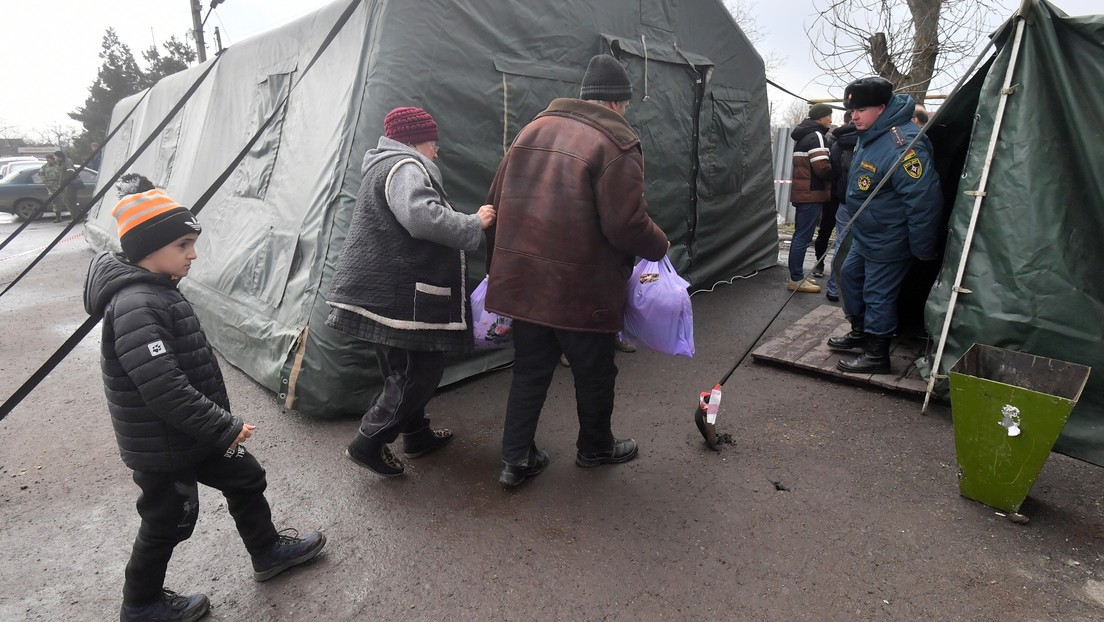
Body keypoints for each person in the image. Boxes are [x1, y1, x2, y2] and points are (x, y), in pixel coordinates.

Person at [83, 176, 327, 622]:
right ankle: (141, 604)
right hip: (166, 444)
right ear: (147, 249)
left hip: (195, 433)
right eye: (183, 244)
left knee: (246, 477)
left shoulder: (157, 290)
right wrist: (224, 426)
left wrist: (215, 427)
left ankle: (267, 551)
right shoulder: (137, 303)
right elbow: (163, 387)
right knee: (168, 520)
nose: (193, 254)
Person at [484, 54, 669, 488]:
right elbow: (625, 223)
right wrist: (659, 246)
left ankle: (515, 460)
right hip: (582, 287)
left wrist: (499, 270)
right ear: (617, 103)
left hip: (524, 282)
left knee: (529, 371)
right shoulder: (616, 142)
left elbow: (495, 200)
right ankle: (595, 448)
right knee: (595, 372)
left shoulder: (530, 131)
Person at [329, 106, 496, 477]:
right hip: (399, 296)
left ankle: (417, 435)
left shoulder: (381, 164)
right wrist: (474, 223)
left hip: (380, 292)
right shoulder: (405, 166)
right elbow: (423, 218)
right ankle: (368, 441)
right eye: (433, 144)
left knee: (401, 371)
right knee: (418, 372)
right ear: (416, 141)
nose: (436, 152)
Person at [827, 77, 942, 374]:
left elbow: (924, 202)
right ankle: (861, 331)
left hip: (890, 236)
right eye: (851, 110)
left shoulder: (904, 145)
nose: (854, 116)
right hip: (867, 232)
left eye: (861, 109)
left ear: (881, 107)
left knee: (878, 293)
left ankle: (877, 355)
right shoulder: (871, 134)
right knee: (849, 274)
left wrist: (923, 248)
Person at [787, 103, 834, 293]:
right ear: (821, 117)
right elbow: (821, 167)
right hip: (811, 194)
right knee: (802, 237)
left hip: (803, 192)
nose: (831, 119)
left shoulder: (804, 136)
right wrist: (836, 174)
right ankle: (796, 279)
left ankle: (795, 277)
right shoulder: (816, 136)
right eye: (829, 116)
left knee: (799, 235)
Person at [823, 111, 858, 303]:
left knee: (841, 244)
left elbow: (833, 168)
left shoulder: (838, 142)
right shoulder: (870, 141)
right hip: (867, 203)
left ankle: (833, 289)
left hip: (844, 200)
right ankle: (854, 291)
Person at [39, 153, 65, 222]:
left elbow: (63, 174)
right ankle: (58, 217)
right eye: (47, 159)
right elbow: (41, 174)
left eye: (49, 159)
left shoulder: (59, 165)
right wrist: (44, 181)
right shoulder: (45, 166)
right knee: (55, 202)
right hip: (50, 186)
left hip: (59, 185)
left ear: (53, 159)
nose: (48, 161)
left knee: (63, 200)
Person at [54, 150, 78, 220]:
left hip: (69, 185)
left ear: (59, 156)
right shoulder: (61, 163)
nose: (54, 158)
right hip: (65, 186)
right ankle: (74, 217)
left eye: (55, 156)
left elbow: (70, 172)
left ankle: (76, 218)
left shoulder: (67, 162)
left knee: (71, 202)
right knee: (67, 202)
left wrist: (63, 181)